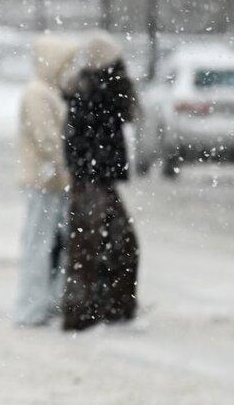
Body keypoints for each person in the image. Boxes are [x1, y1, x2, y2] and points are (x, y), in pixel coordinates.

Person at [61, 32, 140, 332]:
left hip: (96, 179)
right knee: (92, 248)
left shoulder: (97, 90)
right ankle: (87, 312)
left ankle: (102, 309)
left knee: (108, 246)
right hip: (93, 180)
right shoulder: (98, 91)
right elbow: (84, 140)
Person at [13, 35, 77, 326]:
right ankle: (32, 308)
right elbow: (47, 139)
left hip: (52, 180)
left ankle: (47, 303)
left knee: (51, 244)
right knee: (40, 245)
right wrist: (65, 164)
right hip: (45, 181)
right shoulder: (39, 94)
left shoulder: (48, 92)